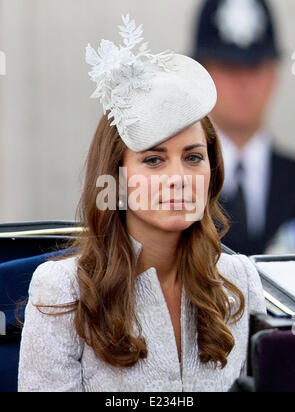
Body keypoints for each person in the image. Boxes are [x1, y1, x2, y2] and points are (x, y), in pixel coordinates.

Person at [18, 13, 266, 392]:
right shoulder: (63, 290)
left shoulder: (240, 280)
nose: (179, 178)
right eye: (153, 159)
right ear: (116, 177)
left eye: (194, 157)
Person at [193, 0, 295, 255]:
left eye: (254, 67)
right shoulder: (175, 184)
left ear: (274, 74)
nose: (243, 83)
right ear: (201, 74)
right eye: (228, 67)